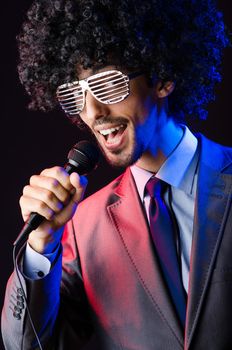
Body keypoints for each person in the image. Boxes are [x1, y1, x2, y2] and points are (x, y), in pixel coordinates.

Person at [1, 0, 232, 349]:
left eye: (108, 85)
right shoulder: (80, 229)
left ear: (163, 77)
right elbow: (24, 343)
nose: (92, 111)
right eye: (75, 93)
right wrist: (40, 245)